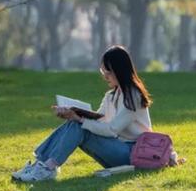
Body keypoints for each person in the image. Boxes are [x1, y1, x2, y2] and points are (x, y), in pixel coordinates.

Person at [12, 45, 153, 183]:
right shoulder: (111, 95)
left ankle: (48, 168)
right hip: (117, 149)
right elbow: (99, 120)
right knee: (75, 124)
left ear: (119, 70)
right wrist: (73, 114)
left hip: (132, 154)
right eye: (103, 71)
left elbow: (111, 130)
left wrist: (80, 120)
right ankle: (40, 165)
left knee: (80, 125)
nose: (105, 76)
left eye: (108, 72)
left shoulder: (133, 96)